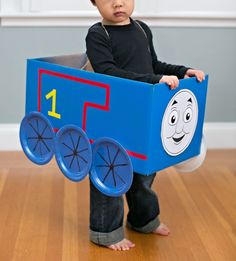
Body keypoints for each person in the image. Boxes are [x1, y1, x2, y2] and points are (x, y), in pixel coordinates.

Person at [86, 0, 205, 251]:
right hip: (112, 113)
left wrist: (184, 71)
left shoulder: (141, 28)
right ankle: (105, 232)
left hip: (141, 112)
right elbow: (108, 72)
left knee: (144, 171)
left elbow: (154, 64)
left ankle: (144, 219)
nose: (118, 3)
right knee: (111, 169)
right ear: (94, 3)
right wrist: (154, 79)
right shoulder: (98, 34)